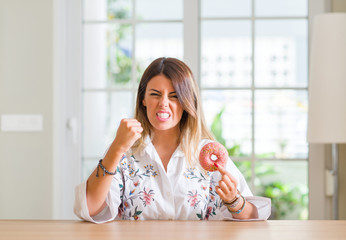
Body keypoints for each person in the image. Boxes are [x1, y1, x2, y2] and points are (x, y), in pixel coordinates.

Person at [74, 57, 271, 223]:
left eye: (175, 96)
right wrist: (116, 148)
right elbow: (89, 209)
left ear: (187, 102)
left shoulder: (207, 154)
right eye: (155, 94)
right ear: (143, 99)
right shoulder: (124, 152)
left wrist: (233, 201)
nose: (164, 104)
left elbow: (255, 215)